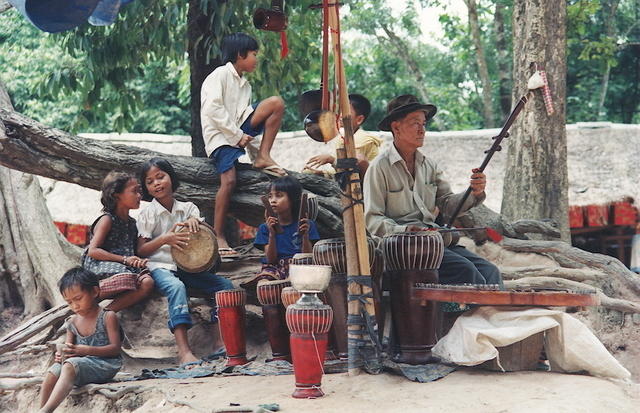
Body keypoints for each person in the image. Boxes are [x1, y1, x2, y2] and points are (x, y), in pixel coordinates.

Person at [363, 94, 502, 286]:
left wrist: (474, 192)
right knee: (467, 273)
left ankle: (489, 315)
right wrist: (404, 230)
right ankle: (458, 316)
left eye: (424, 123)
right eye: (415, 123)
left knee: (491, 272)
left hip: (433, 243)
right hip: (400, 248)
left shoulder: (429, 165)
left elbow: (448, 205)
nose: (422, 130)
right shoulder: (379, 168)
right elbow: (373, 220)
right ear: (396, 127)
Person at [136, 157, 234, 367]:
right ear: (146, 188)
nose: (157, 184)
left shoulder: (189, 209)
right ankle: (184, 352)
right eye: (150, 181)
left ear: (171, 176)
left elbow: (205, 241)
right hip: (160, 267)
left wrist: (195, 224)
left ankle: (220, 343)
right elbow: (141, 250)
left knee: (224, 287)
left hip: (188, 267)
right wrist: (164, 239)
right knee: (176, 287)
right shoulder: (147, 212)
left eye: (160, 177)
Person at [201, 32, 287, 258]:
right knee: (228, 181)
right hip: (221, 137)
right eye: (253, 54)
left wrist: (253, 151)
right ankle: (218, 234)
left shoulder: (245, 85)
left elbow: (245, 116)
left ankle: (263, 157)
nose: (256, 59)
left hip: (238, 131)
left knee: (276, 103)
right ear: (240, 55)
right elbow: (213, 109)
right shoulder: (219, 75)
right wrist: (237, 135)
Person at [39, 268, 123, 413]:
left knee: (70, 365)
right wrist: (63, 355)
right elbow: (69, 348)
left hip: (105, 365)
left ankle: (46, 410)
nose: (74, 306)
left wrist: (86, 350)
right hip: (79, 365)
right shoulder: (72, 322)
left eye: (78, 299)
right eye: (69, 302)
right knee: (53, 371)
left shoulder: (107, 316)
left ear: (95, 292)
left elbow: (115, 348)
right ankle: (40, 408)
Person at [82, 171, 155, 312]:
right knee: (127, 279)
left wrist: (138, 261)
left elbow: (134, 252)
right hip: (102, 266)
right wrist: (126, 260)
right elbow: (93, 251)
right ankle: (90, 294)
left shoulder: (133, 224)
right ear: (117, 195)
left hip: (125, 267)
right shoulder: (107, 220)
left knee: (148, 282)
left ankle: (106, 313)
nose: (140, 195)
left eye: (139, 191)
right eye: (135, 191)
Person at [241, 176, 320, 290]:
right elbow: (271, 260)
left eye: (279, 195)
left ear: (292, 200)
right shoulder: (264, 228)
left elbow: (307, 257)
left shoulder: (308, 225)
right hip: (275, 268)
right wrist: (272, 234)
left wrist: (305, 235)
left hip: (299, 267)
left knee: (300, 280)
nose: (273, 200)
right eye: (270, 196)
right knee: (264, 285)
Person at [304, 93, 382, 178]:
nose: (339, 115)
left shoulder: (363, 139)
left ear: (359, 119)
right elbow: (339, 172)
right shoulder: (341, 139)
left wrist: (331, 159)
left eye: (345, 111)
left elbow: (352, 169)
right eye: (339, 111)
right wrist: (321, 173)